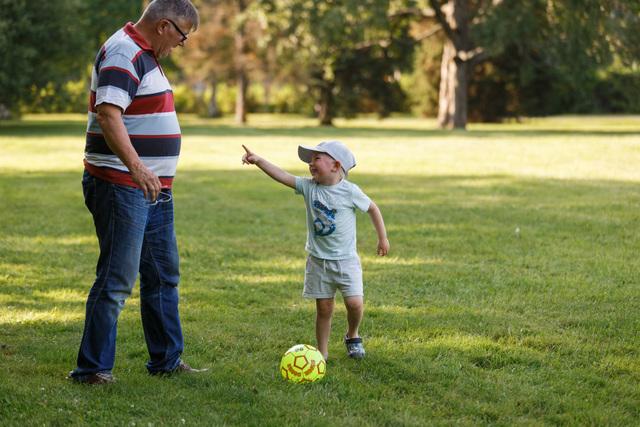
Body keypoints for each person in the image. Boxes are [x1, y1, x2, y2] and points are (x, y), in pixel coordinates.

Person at [69, 0, 205, 385]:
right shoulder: (123, 51)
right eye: (182, 36)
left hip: (152, 188)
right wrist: (139, 168)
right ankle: (92, 370)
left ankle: (166, 360)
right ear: (164, 25)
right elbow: (109, 115)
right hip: (122, 185)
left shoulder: (145, 53)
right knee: (116, 279)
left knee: (163, 274)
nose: (182, 44)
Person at [241, 141, 390, 360]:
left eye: (316, 159)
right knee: (324, 308)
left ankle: (352, 334)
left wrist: (382, 238)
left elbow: (373, 209)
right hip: (319, 261)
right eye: (310, 160)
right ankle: (322, 352)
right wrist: (259, 161)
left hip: (346, 260)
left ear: (335, 165)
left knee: (355, 304)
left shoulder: (350, 191)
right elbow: (282, 176)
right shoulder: (309, 187)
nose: (311, 164)